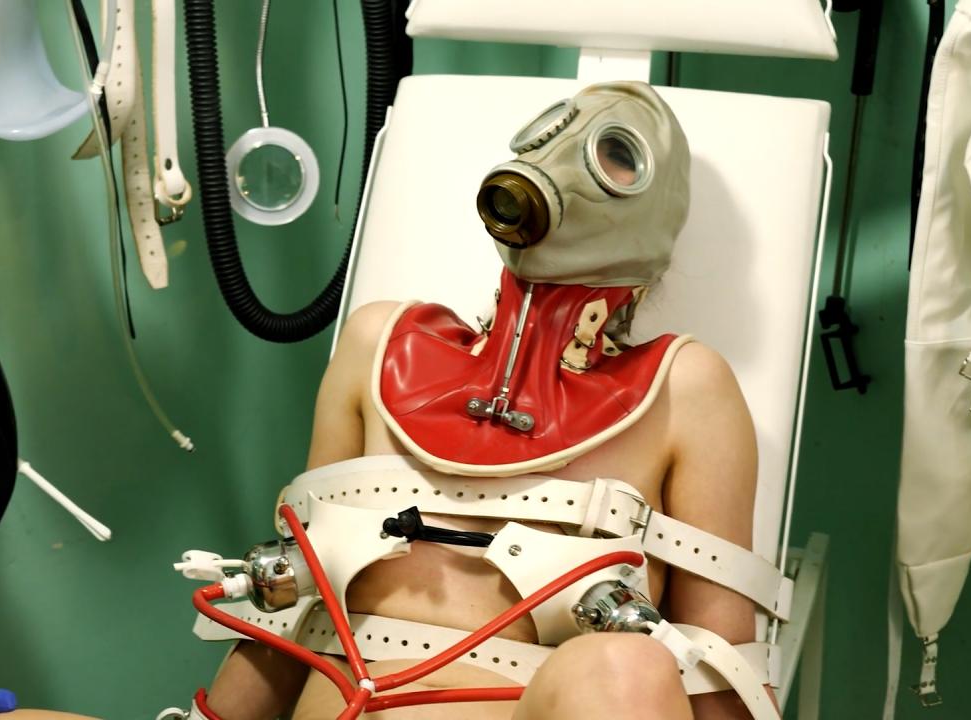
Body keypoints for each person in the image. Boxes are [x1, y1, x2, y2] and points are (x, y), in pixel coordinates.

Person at [202, 80, 770, 720]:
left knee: (630, 665)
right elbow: (290, 598)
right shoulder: (378, 345)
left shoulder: (684, 390)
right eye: (551, 139)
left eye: (616, 157)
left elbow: (720, 670)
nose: (563, 164)